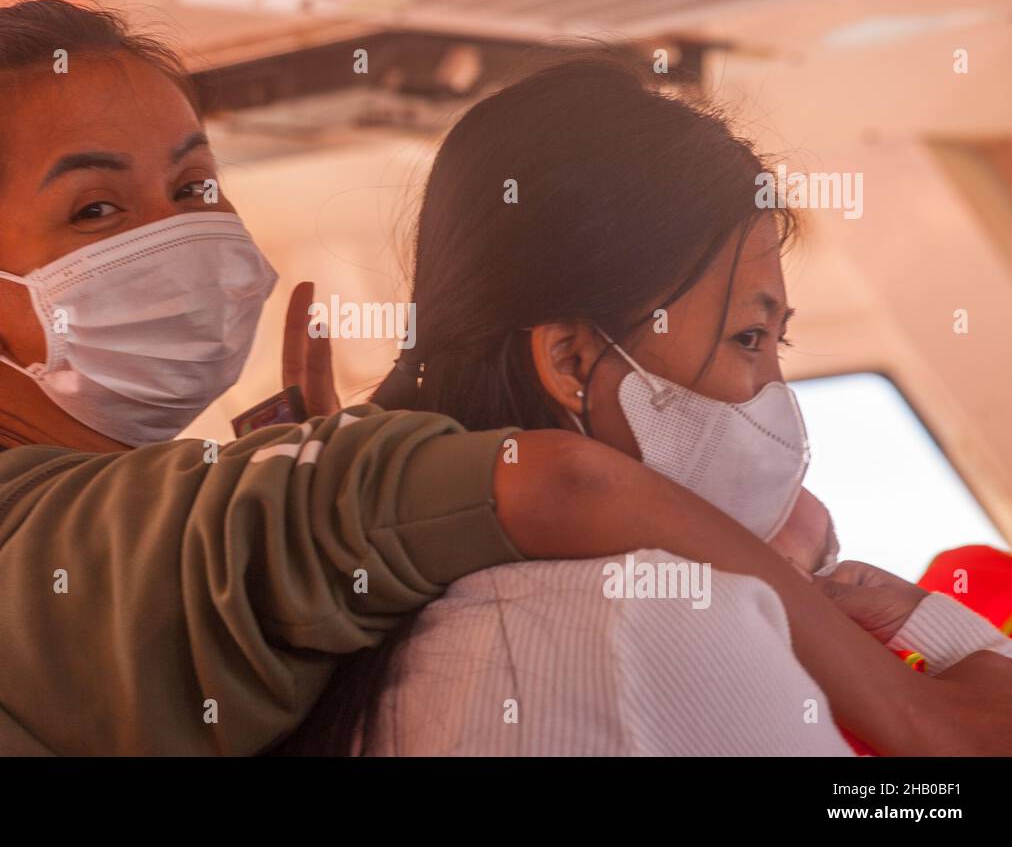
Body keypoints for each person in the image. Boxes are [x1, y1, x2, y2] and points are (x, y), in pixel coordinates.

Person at [0, 1, 1007, 756]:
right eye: (95, 212)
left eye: (190, 187)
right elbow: (550, 480)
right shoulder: (49, 546)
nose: (175, 237)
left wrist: (288, 463)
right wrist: (912, 706)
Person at [277, 53, 1012, 756]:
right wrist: (938, 631)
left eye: (776, 343)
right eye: (746, 337)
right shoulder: (657, 626)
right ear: (571, 361)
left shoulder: (405, 617)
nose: (772, 398)